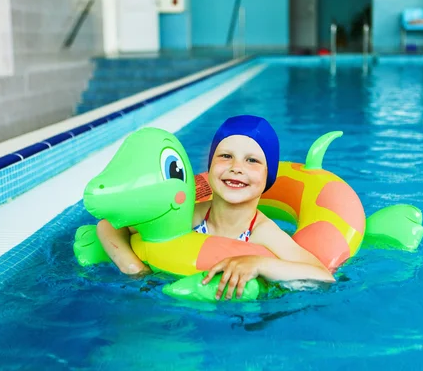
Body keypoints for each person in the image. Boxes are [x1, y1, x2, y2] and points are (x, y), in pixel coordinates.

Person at [96, 115, 335, 300]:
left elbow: (323, 276)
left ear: (267, 176)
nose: (236, 167)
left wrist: (259, 263)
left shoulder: (263, 233)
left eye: (252, 160)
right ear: (210, 167)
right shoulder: (191, 215)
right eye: (225, 156)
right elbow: (109, 224)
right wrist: (134, 269)